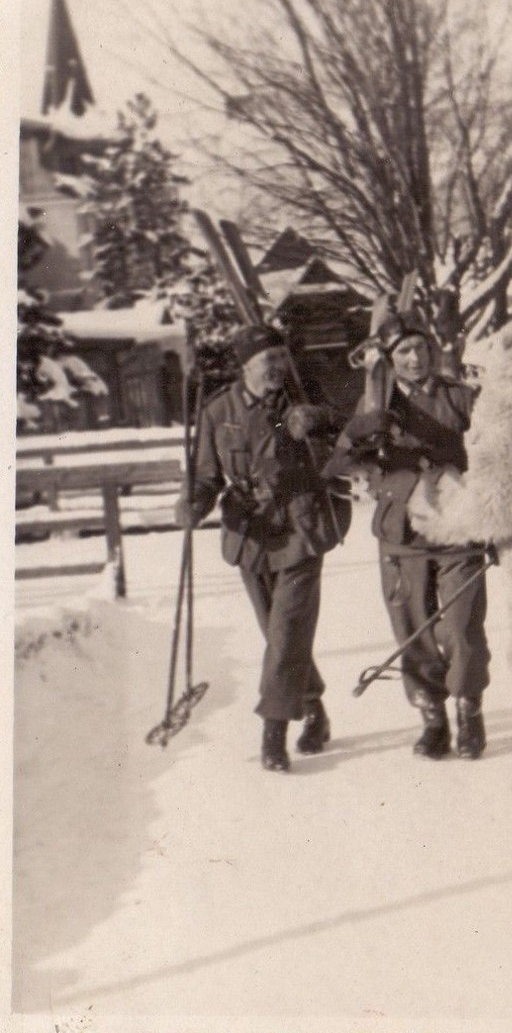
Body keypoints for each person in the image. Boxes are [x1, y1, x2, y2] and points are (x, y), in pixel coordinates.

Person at [175, 324, 350, 773]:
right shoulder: (218, 411)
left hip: (300, 527)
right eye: (266, 360)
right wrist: (193, 503)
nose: (276, 367)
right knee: (277, 633)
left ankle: (274, 731)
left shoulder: (301, 400)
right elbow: (207, 476)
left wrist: (320, 425)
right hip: (249, 533)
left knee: (287, 631)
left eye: (280, 357)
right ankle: (314, 709)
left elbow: (346, 442)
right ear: (245, 365)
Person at [327, 314, 491, 761]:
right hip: (402, 532)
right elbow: (338, 466)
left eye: (421, 348)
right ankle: (432, 718)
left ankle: (468, 709)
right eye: (404, 351)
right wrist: (359, 436)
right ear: (389, 358)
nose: (415, 358)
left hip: (459, 527)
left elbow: (495, 451)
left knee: (462, 625)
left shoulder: (461, 398)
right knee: (412, 625)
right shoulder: (373, 401)